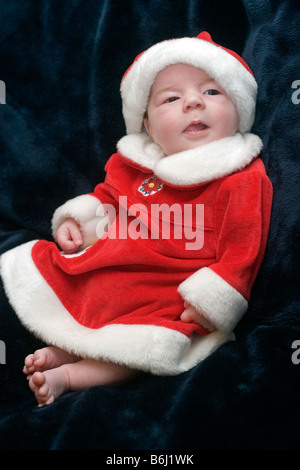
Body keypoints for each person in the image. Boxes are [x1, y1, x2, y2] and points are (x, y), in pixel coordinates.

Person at [0, 32, 273, 406]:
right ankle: (64, 348)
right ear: (147, 126)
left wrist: (214, 300)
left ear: (239, 109)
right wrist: (78, 222)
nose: (193, 102)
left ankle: (71, 375)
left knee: (146, 339)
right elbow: (108, 200)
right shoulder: (138, 164)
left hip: (170, 287)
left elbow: (245, 246)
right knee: (78, 290)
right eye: (172, 98)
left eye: (212, 92)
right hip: (112, 265)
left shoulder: (240, 175)